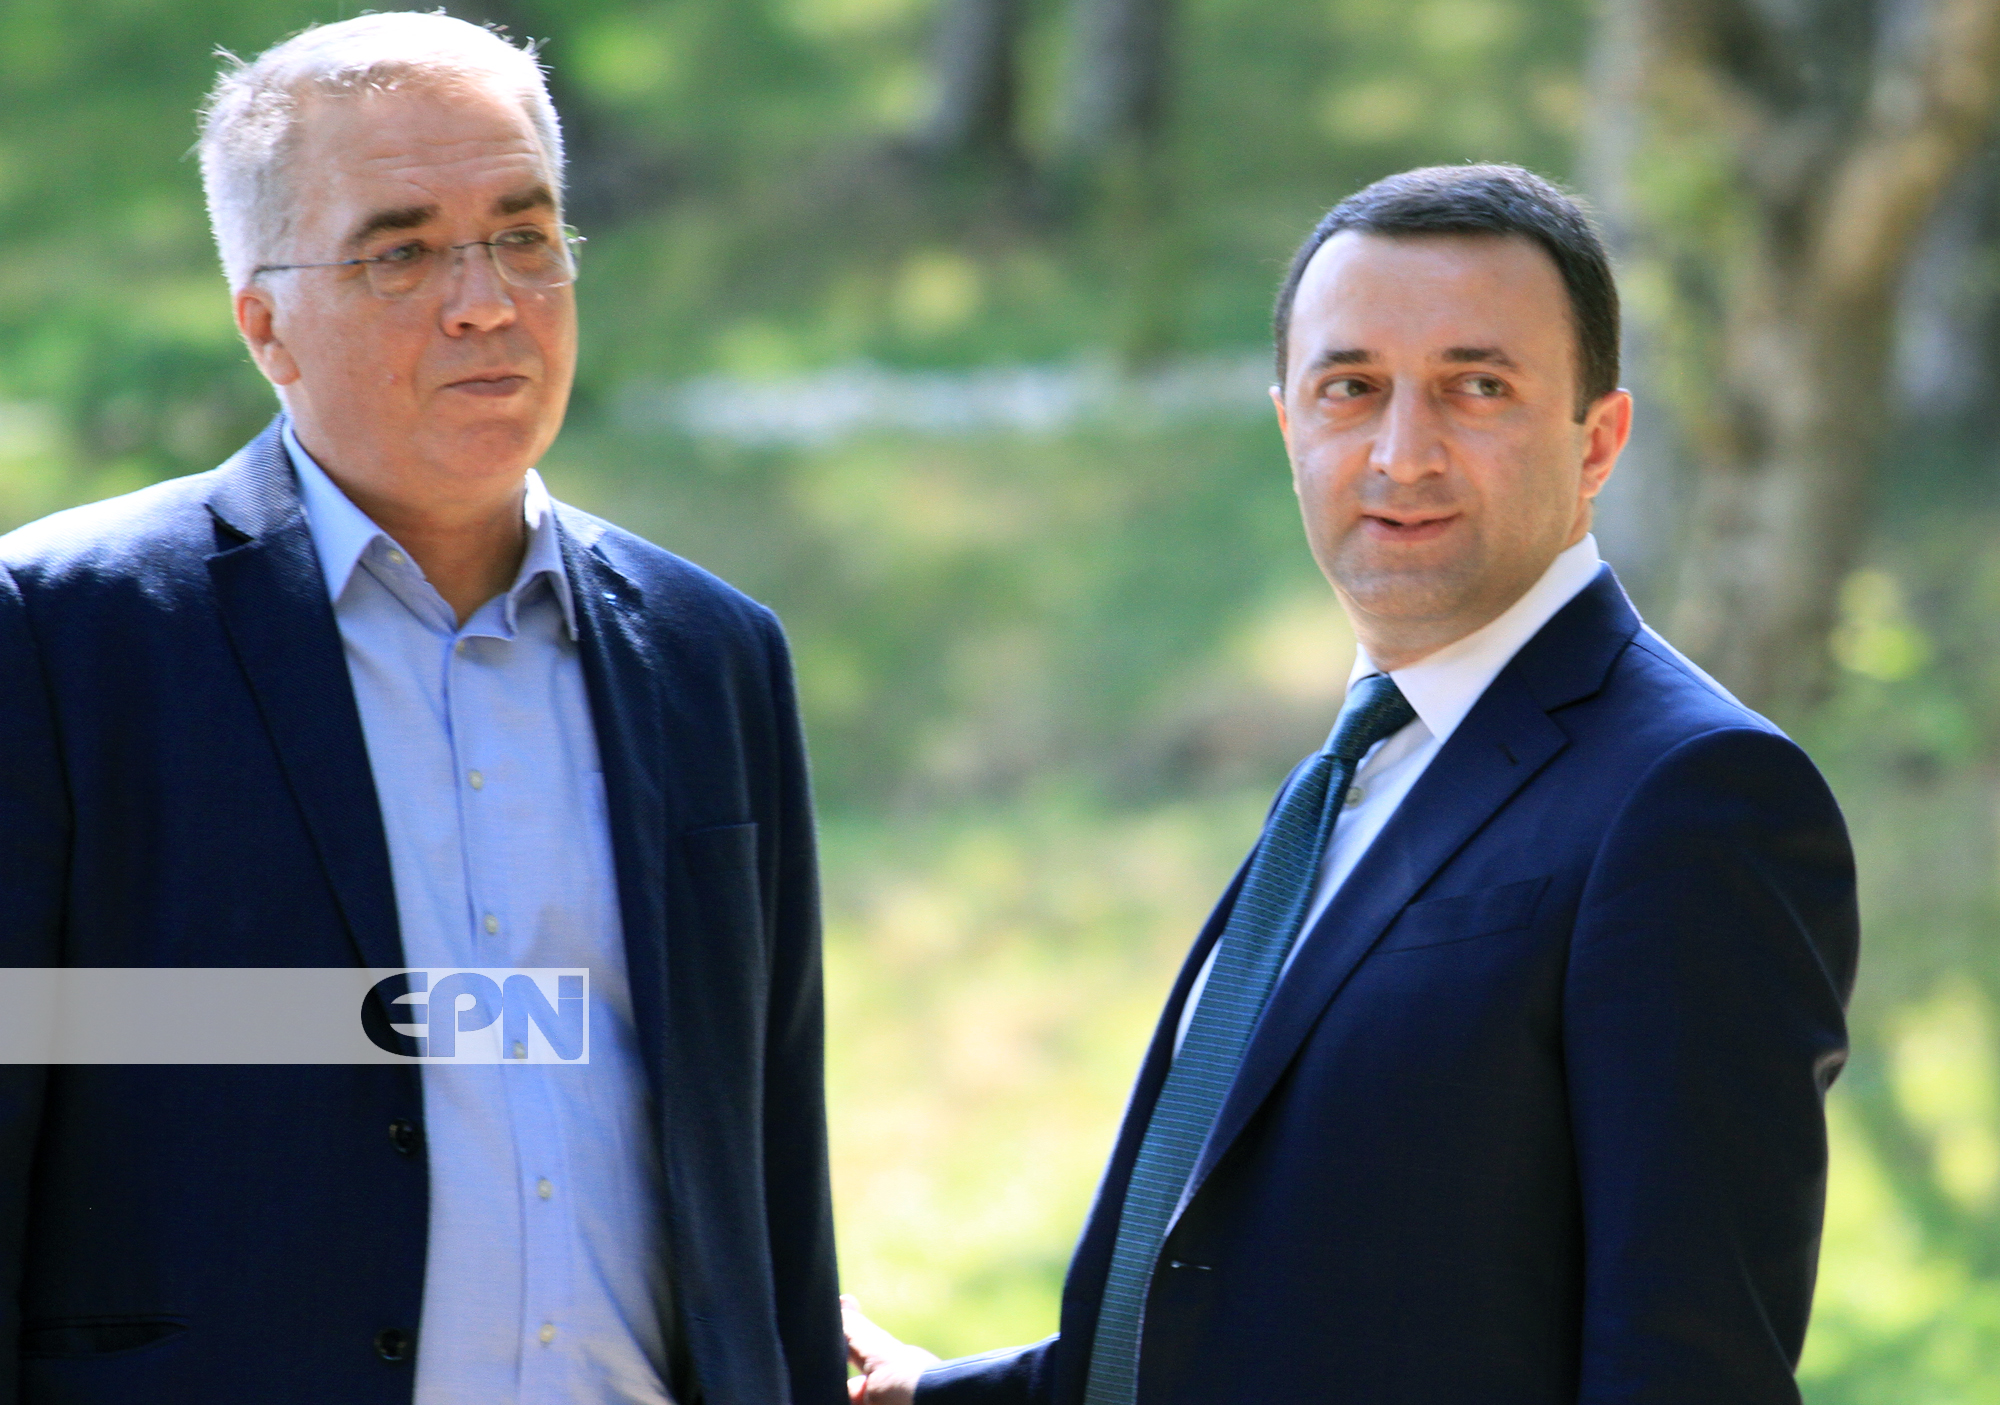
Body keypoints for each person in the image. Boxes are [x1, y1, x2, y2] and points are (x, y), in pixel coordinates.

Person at [843, 165, 1859, 1405]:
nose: (1399, 453)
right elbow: (1254, 1309)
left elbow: (1685, 1372)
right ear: (1290, 429)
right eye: (1351, 388)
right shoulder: (1352, 774)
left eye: (1475, 388)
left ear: (1596, 440)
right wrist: (932, 1393)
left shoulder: (1693, 798)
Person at [0, 14, 842, 1405]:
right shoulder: (61, 635)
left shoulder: (713, 655)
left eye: (524, 236)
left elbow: (770, 1171)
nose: (486, 301)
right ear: (264, 323)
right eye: (401, 253)